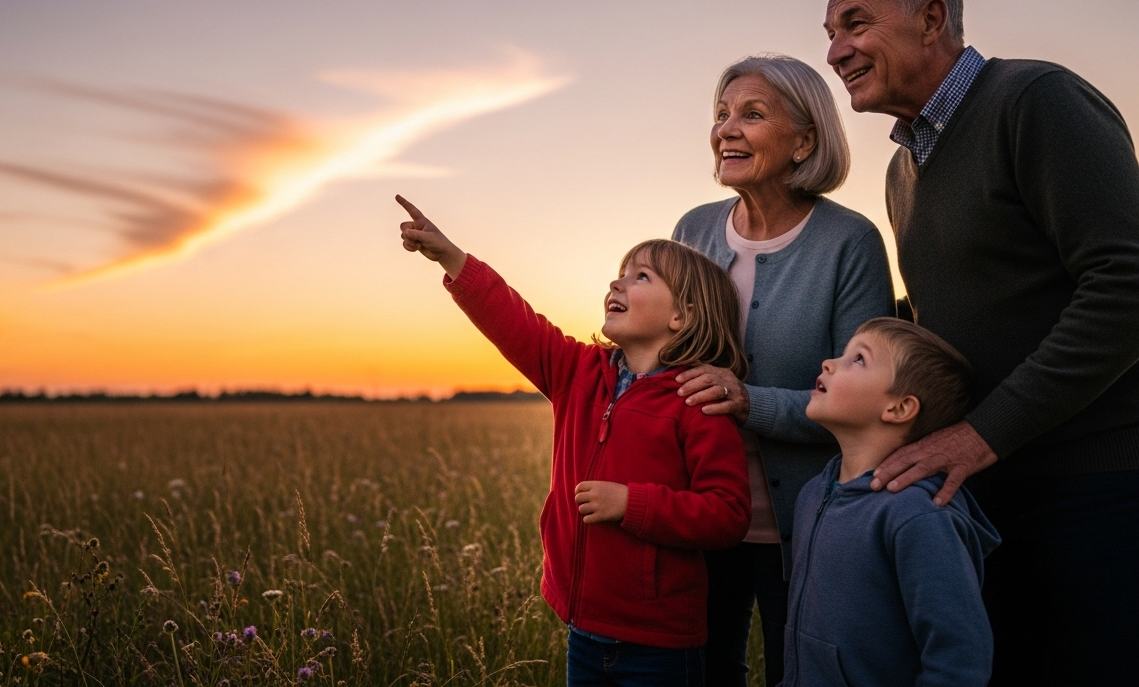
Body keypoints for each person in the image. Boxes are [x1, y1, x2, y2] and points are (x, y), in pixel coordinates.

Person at [822, 0, 1139, 685]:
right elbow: (942, 320)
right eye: (829, 32)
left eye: (854, 24)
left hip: (1102, 479)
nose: (835, 51)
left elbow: (1135, 284)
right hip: (992, 479)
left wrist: (982, 434)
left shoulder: (1036, 101)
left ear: (931, 19)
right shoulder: (903, 172)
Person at [395, 195, 752, 687]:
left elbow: (728, 515)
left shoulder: (698, 403)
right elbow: (513, 320)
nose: (617, 282)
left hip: (661, 645)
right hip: (583, 631)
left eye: (640, 277)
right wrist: (452, 257)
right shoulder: (577, 372)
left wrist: (633, 504)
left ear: (682, 316)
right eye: (620, 273)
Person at [670, 54, 894, 687]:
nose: (726, 129)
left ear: (805, 140)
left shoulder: (850, 242)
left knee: (802, 673)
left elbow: (861, 405)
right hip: (700, 515)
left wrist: (748, 401)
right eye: (721, 114)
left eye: (753, 114)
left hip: (806, 523)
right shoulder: (692, 231)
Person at [785, 317, 999, 687]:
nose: (829, 363)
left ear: (899, 408)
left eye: (859, 359)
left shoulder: (916, 516)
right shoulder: (812, 494)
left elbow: (960, 660)